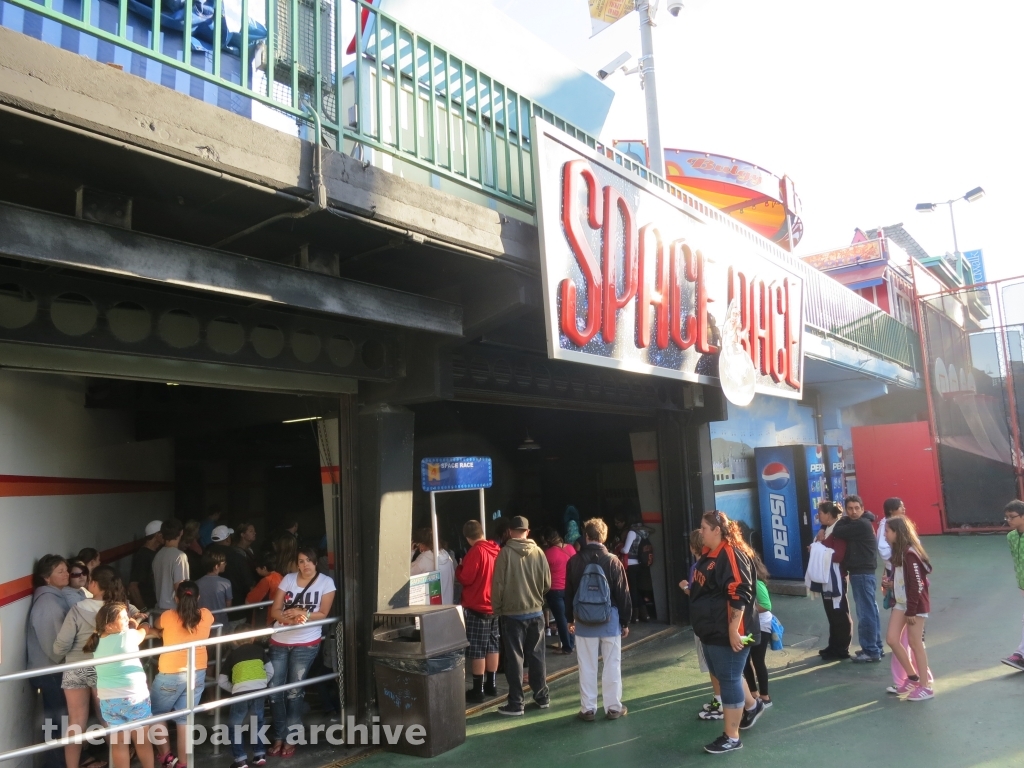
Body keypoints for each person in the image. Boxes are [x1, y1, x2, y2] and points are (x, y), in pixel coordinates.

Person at [54, 565, 144, 768]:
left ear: (94, 584)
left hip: (75, 668)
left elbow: (60, 646)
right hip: (104, 669)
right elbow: (135, 614)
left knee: (75, 722)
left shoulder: (77, 609)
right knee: (108, 719)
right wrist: (137, 619)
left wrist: (60, 655)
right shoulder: (119, 610)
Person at [689, 511, 764, 755]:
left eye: (704, 528)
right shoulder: (710, 554)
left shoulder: (731, 553)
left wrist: (733, 630)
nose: (700, 532)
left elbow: (740, 591)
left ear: (717, 530)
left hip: (730, 631)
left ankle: (732, 737)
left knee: (729, 678)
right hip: (712, 630)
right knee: (725, 674)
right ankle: (752, 706)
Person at [267, 546, 336, 757]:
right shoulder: (288, 579)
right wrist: (290, 619)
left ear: (316, 562)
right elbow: (275, 610)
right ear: (296, 564)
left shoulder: (326, 582)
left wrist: (301, 612)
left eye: (309, 560)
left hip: (306, 642)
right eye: (301, 561)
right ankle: (279, 735)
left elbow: (323, 613)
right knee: (274, 690)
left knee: (294, 691)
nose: (306, 565)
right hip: (280, 639)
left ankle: (290, 737)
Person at [564, 517, 630, 721]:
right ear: (604, 536)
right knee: (612, 664)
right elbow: (623, 594)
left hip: (583, 622)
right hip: (610, 621)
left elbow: (569, 593)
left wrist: (570, 619)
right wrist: (625, 622)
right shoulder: (613, 561)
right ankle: (613, 707)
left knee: (586, 665)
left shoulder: (574, 561)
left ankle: (588, 709)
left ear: (586, 536)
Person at [491, 516, 551, 716]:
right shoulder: (539, 552)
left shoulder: (505, 553)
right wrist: (536, 597)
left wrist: (497, 609)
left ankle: (516, 702)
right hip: (536, 611)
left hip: (512, 614)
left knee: (514, 658)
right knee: (537, 655)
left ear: (510, 531)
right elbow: (547, 583)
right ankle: (542, 696)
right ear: (528, 531)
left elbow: (498, 585)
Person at [152, 581, 215, 768]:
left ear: (176, 598)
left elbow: (156, 625)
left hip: (170, 673)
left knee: (155, 714)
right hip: (197, 672)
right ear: (198, 597)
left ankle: (166, 757)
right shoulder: (206, 615)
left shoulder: (167, 616)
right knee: (184, 719)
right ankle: (184, 763)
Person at [87, 602, 157, 768]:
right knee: (142, 741)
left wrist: (131, 622)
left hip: (109, 701)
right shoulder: (127, 637)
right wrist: (141, 623)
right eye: (123, 618)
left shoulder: (96, 640)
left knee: (119, 744)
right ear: (109, 625)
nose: (127, 620)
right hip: (134, 698)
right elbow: (143, 631)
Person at [26, 554, 72, 768]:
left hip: (52, 671)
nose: (66, 574)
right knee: (57, 721)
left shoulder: (54, 597)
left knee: (56, 720)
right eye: (60, 571)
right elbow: (55, 647)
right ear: (46, 577)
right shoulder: (48, 603)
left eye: (66, 570)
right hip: (50, 671)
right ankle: (56, 764)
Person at [884, 516, 934, 700]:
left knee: (915, 643)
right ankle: (912, 678)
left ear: (897, 532)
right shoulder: (899, 553)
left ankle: (925, 687)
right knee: (892, 639)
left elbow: (917, 584)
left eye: (887, 531)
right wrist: (891, 584)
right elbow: (904, 580)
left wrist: (912, 610)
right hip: (901, 602)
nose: (885, 535)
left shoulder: (911, 554)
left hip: (914, 605)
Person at [832, 495, 883, 662]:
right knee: (871, 610)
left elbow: (838, 530)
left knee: (865, 612)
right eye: (850, 509)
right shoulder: (863, 522)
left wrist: (843, 518)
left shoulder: (861, 525)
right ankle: (876, 647)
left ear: (862, 508)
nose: (853, 512)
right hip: (864, 573)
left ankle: (871, 651)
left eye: (856, 508)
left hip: (861, 574)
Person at [456, 520, 502, 703]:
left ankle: (478, 689)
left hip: (477, 606)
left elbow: (466, 578)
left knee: (477, 649)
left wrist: (459, 567)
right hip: (494, 606)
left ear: (468, 538)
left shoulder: (476, 551)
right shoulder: (496, 549)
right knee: (493, 646)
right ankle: (492, 684)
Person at [681, 529, 723, 720]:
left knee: (713, 664)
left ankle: (721, 701)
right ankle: (722, 699)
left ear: (692, 547)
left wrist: (684, 587)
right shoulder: (715, 564)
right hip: (716, 621)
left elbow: (695, 593)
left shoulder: (697, 568)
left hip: (705, 624)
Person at [219, 641, 272, 768]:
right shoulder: (260, 650)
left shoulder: (232, 654)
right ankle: (259, 755)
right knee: (257, 723)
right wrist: (261, 684)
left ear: (234, 641)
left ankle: (240, 760)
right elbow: (271, 671)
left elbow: (221, 681)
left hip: (240, 693)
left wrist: (234, 689)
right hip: (259, 691)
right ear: (253, 638)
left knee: (235, 726)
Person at [816, 502, 852, 661]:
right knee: (831, 612)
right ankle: (833, 646)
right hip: (827, 577)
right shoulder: (828, 528)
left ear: (829, 514)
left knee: (840, 613)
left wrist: (817, 550)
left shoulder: (838, 530)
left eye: (820, 513)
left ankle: (842, 648)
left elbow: (838, 556)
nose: (818, 516)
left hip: (836, 578)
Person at [742, 553, 774, 706]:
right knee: (745, 660)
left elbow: (766, 605)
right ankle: (753, 693)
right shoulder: (745, 581)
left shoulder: (756, 582)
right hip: (748, 625)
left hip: (761, 626)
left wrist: (747, 611)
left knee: (757, 660)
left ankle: (765, 697)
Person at [541, 527, 576, 654]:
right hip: (569, 588)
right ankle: (571, 644)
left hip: (554, 590)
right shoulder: (570, 549)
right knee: (570, 617)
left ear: (548, 540)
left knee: (561, 619)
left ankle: (566, 647)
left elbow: (542, 573)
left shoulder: (548, 553)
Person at [1002, 499, 1024, 670]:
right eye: (1007, 517)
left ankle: (1020, 655)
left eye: (1012, 517)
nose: (1009, 520)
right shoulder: (1011, 537)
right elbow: (1017, 561)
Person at [410, 528, 455, 605]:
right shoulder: (446, 555)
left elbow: (406, 574)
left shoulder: (423, 559)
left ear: (422, 544)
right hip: (448, 604)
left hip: (432, 607)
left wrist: (411, 552)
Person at [153, 520, 189, 615]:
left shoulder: (158, 555)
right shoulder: (180, 556)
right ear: (181, 532)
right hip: (174, 611)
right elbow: (179, 586)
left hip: (159, 610)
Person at [620, 512, 651, 623]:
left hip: (631, 563)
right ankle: (645, 614)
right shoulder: (644, 531)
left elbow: (626, 550)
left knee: (633, 589)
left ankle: (635, 615)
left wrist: (619, 549)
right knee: (638, 589)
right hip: (641, 563)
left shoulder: (632, 532)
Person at [130, 520, 164, 610]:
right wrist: (144, 610)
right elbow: (133, 586)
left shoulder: (157, 552)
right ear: (157, 535)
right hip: (148, 605)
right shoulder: (143, 556)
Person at [196, 550, 233, 623]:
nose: (225, 564)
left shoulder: (197, 583)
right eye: (224, 563)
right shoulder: (226, 583)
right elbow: (228, 605)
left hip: (203, 622)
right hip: (221, 622)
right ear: (216, 566)